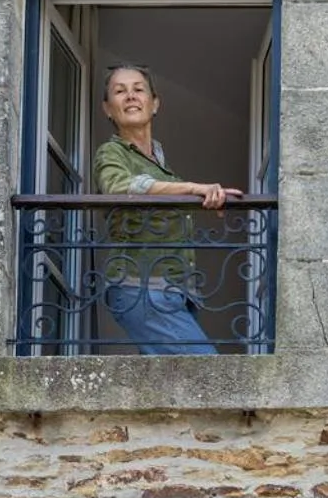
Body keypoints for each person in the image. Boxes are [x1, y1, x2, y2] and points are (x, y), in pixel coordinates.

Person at [92, 64, 242, 356]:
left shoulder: (162, 165)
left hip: (173, 293)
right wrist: (193, 188)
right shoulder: (112, 153)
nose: (131, 96)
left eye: (139, 89)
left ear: (155, 103)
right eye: (120, 91)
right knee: (206, 373)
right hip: (140, 288)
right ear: (107, 109)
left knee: (181, 379)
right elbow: (118, 186)